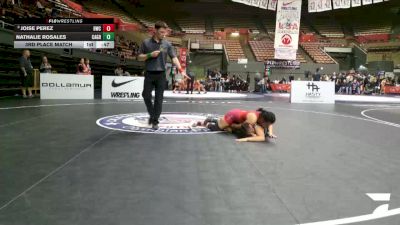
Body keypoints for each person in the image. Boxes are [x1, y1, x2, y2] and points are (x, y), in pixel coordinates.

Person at [137, 21, 190, 130]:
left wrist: (181, 70)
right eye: (161, 32)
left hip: (161, 75)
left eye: (164, 32)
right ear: (155, 30)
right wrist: (149, 55)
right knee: (146, 95)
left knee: (159, 99)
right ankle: (152, 115)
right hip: (149, 73)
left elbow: (174, 58)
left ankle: (155, 121)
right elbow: (139, 57)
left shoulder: (167, 44)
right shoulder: (146, 43)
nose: (163, 34)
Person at [201, 108, 277, 142]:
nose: (267, 127)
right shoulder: (253, 118)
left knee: (246, 131)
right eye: (266, 124)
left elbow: (270, 125)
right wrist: (250, 136)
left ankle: (220, 121)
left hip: (241, 118)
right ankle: (210, 121)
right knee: (217, 128)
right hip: (233, 115)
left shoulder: (263, 116)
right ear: (263, 120)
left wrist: (270, 133)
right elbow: (240, 127)